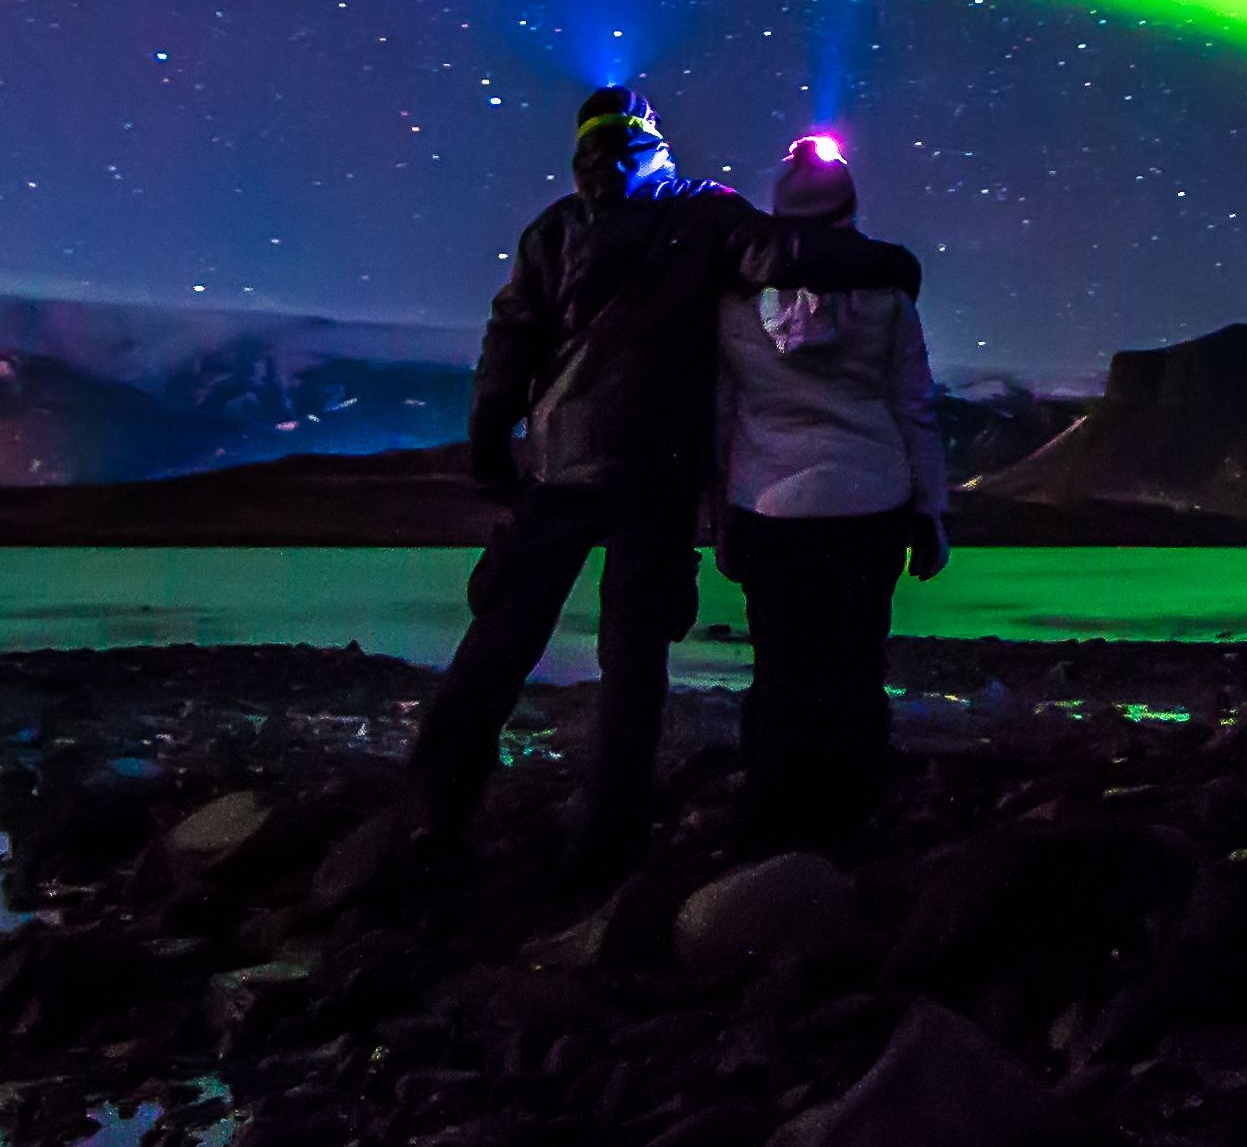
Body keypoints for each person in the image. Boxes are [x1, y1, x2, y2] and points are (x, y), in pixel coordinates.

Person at [405, 86, 751, 883]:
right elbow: (778, 259)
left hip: (563, 462)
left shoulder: (554, 228)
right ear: (653, 135)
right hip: (660, 468)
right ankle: (605, 843)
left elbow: (512, 335)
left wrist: (492, 440)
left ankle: (431, 814)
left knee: (498, 640)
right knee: (635, 660)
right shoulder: (706, 211)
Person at [712, 129, 946, 853]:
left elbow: (723, 412)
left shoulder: (731, 300)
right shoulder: (889, 299)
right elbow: (913, 407)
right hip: (870, 504)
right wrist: (931, 511)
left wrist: (716, 515)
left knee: (779, 662)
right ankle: (851, 815)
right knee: (853, 663)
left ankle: (773, 815)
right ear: (849, 207)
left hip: (768, 506)